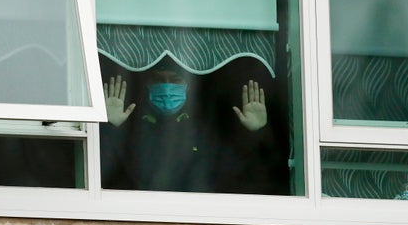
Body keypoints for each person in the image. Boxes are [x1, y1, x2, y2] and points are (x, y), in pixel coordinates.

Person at [99, 61, 281, 194]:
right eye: (158, 79)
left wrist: (254, 133)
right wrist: (111, 127)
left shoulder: (205, 128)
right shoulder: (133, 128)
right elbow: (108, 172)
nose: (167, 86)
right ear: (146, 85)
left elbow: (240, 173)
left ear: (188, 85)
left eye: (175, 79)